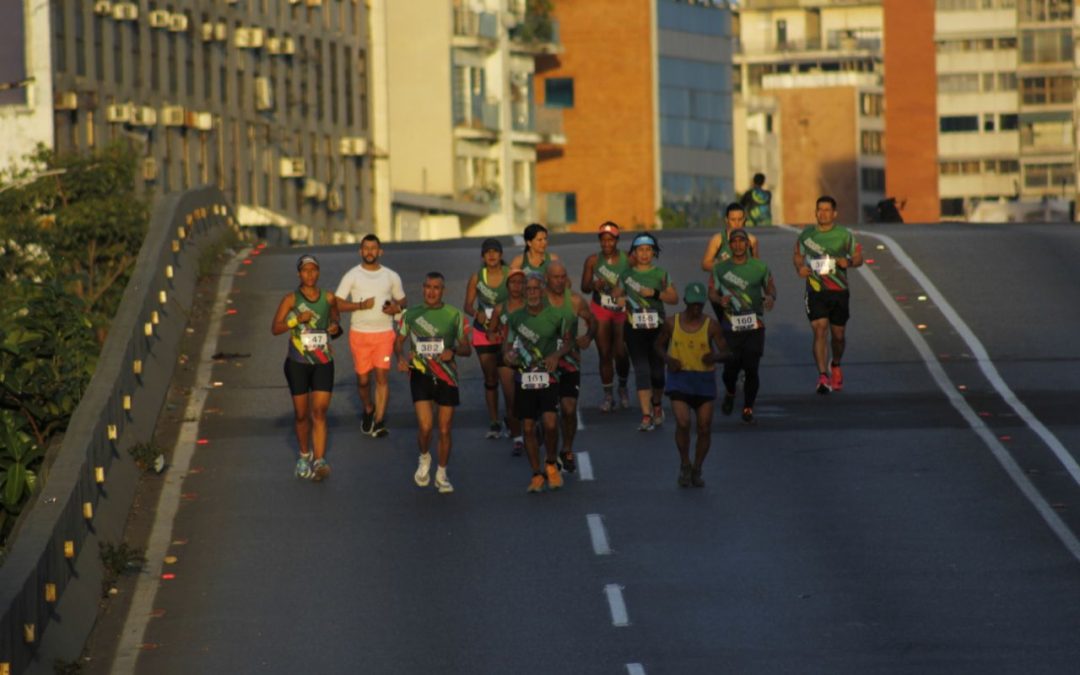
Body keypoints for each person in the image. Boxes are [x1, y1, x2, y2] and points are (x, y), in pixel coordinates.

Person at [396, 273, 471, 494]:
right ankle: (425, 457)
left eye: (436, 288)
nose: (431, 291)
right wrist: (400, 358)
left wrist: (454, 351)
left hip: (447, 376)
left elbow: (467, 348)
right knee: (426, 426)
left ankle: (441, 473)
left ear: (443, 291)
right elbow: (398, 342)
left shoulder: (454, 315)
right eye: (427, 287)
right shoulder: (410, 315)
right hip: (420, 374)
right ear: (422, 288)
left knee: (445, 429)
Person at [270, 255, 343, 481]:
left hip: (322, 361)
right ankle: (304, 455)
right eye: (305, 271)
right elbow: (275, 328)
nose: (309, 275)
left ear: (318, 272)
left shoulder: (329, 298)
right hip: (297, 363)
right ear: (299, 274)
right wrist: (296, 320)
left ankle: (319, 460)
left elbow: (337, 324)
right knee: (302, 415)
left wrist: (334, 328)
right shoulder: (290, 299)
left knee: (319, 412)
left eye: (313, 270)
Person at [503, 273, 571, 493]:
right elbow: (507, 346)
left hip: (548, 376)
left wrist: (556, 355)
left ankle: (551, 463)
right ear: (523, 292)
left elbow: (569, 343)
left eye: (535, 289)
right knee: (529, 427)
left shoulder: (556, 315)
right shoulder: (515, 319)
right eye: (528, 289)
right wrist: (508, 357)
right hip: (524, 377)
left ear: (543, 291)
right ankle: (536, 473)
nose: (532, 293)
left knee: (551, 422)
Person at [654, 282, 726, 488]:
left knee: (704, 427)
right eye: (692, 304)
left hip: (703, 380)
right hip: (680, 379)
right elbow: (657, 346)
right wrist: (668, 360)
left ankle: (698, 468)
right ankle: (685, 463)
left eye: (699, 305)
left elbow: (727, 351)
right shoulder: (671, 323)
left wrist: (715, 357)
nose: (696, 309)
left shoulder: (711, 325)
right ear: (685, 302)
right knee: (683, 423)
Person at [335, 234, 406, 437]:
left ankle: (379, 421)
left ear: (380, 251)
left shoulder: (391, 276)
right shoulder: (352, 275)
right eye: (366, 248)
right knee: (363, 381)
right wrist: (359, 305)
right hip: (359, 335)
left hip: (384, 334)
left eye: (373, 248)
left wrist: (395, 307)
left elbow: (403, 301)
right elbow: (337, 302)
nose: (369, 252)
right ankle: (368, 409)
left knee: (382, 377)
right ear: (360, 251)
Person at [792, 195, 863, 394]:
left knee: (838, 336)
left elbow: (858, 257)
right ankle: (822, 376)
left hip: (839, 291)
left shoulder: (843, 235)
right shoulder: (806, 235)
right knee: (820, 329)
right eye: (819, 209)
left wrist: (847, 262)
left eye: (826, 210)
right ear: (815, 212)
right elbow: (797, 255)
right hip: (815, 290)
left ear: (834, 213)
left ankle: (836, 364)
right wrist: (800, 268)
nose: (822, 213)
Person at [709, 228, 776, 423]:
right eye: (734, 242)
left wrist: (771, 296)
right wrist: (719, 299)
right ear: (730, 246)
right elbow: (711, 291)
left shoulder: (760, 267)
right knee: (731, 368)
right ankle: (730, 391)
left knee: (751, 366)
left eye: (742, 241)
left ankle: (748, 407)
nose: (738, 245)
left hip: (755, 324)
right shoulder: (720, 269)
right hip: (730, 326)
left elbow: (770, 286)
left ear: (748, 245)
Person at [613, 233, 678, 431]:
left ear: (653, 252)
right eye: (640, 250)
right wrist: (619, 301)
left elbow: (674, 298)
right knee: (642, 371)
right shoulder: (626, 275)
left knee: (658, 374)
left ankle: (656, 405)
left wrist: (655, 293)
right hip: (634, 329)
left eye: (648, 250)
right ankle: (646, 415)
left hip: (657, 330)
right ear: (634, 253)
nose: (644, 254)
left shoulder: (661, 274)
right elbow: (616, 296)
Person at [545, 261, 596, 474]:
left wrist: (587, 336)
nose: (559, 281)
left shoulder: (575, 300)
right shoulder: (538, 301)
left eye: (562, 276)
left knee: (568, 409)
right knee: (548, 414)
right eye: (555, 277)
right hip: (545, 363)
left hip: (570, 362)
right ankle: (548, 448)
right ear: (547, 279)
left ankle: (566, 450)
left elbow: (593, 321)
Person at [580, 221, 631, 413]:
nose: (607, 244)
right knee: (604, 352)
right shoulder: (593, 260)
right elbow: (584, 286)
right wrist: (594, 285)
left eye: (610, 240)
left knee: (621, 351)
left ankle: (623, 386)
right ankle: (608, 394)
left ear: (617, 240)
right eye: (603, 240)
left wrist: (625, 294)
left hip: (621, 309)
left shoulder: (628, 258)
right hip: (601, 307)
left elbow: (636, 279)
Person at [464, 238, 511, 439]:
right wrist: (476, 313)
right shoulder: (477, 277)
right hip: (483, 332)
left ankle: (512, 418)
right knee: (490, 378)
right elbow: (467, 305)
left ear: (501, 255)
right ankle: (494, 421)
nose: (492, 255)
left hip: (505, 332)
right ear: (483, 256)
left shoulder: (511, 276)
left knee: (508, 380)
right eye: (488, 252)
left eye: (495, 252)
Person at [700, 203, 760, 324]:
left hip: (743, 289)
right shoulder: (718, 239)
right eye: (733, 220)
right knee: (727, 326)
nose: (737, 223)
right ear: (726, 220)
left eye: (740, 219)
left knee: (746, 327)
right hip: (722, 290)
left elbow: (757, 268)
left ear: (744, 220)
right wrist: (722, 265)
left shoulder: (752, 240)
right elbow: (705, 264)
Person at [493, 268, 527, 455]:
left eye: (521, 282)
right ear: (507, 286)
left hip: (529, 355)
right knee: (511, 397)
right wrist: (498, 334)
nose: (517, 286)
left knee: (529, 395)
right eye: (513, 282)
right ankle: (518, 438)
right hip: (506, 357)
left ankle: (531, 426)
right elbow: (491, 331)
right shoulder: (500, 308)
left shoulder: (532, 305)